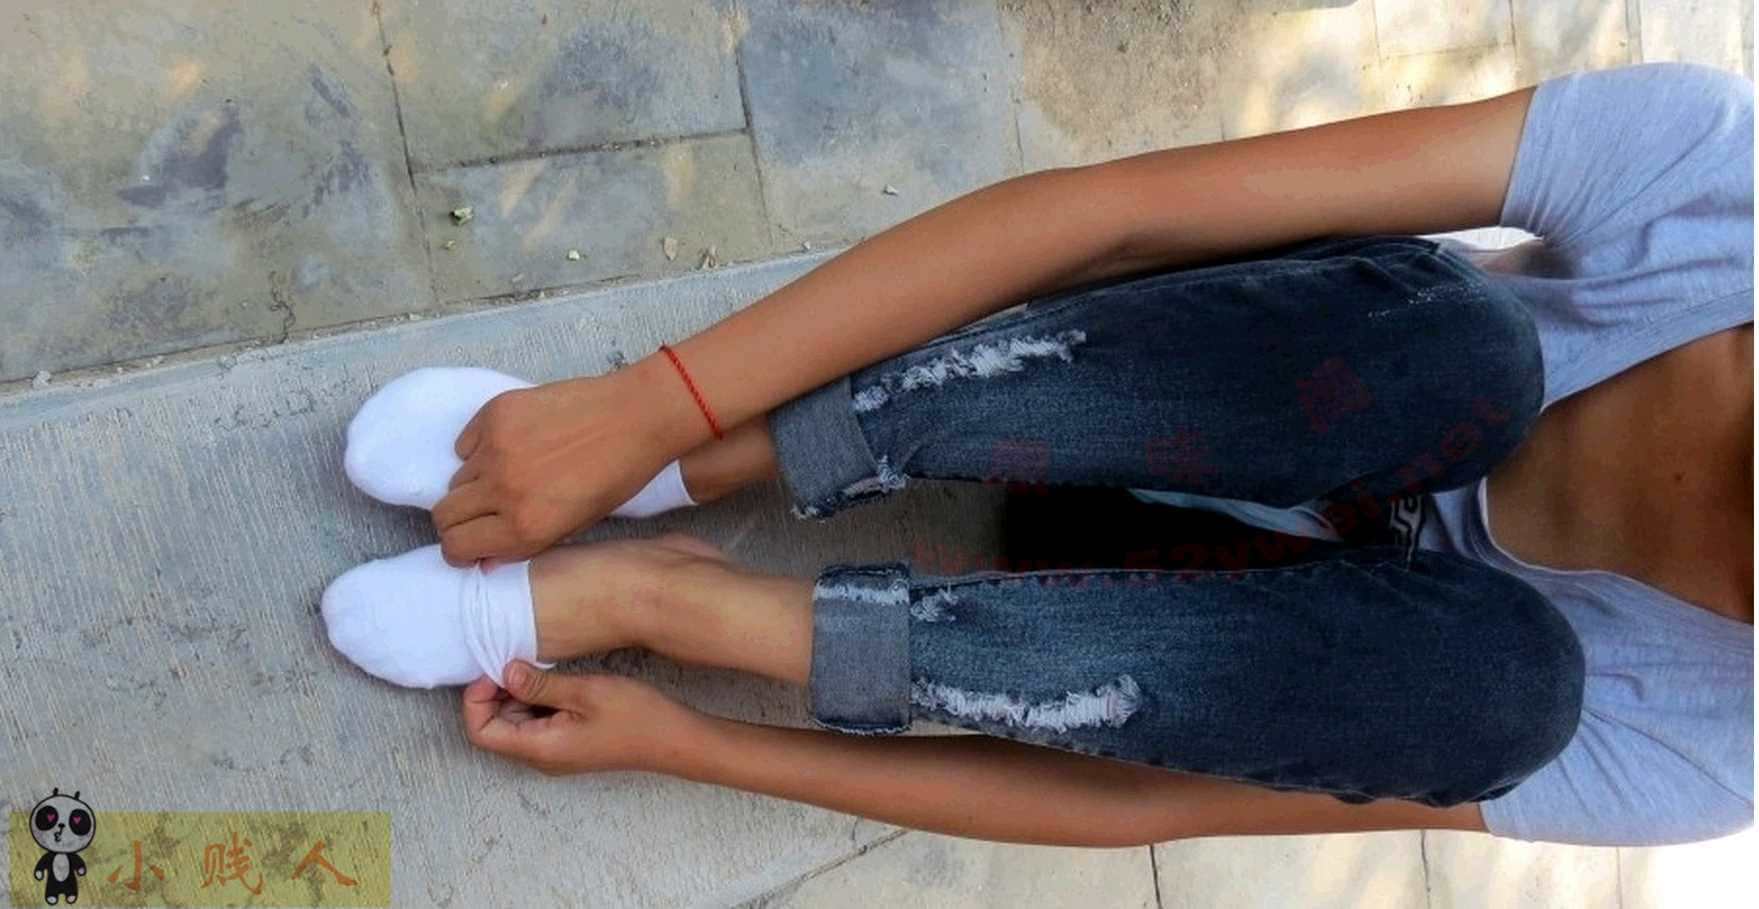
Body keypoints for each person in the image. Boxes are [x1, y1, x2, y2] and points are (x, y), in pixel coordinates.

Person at [431, 61, 1753, 848]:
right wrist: (659, 410)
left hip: (1152, 627)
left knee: (1507, 699)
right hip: (1169, 372)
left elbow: (1151, 803)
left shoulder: (1721, 750)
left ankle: (684, 594)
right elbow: (1115, 216)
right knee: (1465, 353)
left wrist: (697, 734)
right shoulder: (1718, 181)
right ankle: (729, 464)